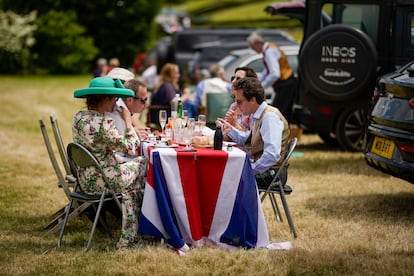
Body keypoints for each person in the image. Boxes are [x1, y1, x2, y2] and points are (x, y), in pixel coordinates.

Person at [72, 77, 147, 250]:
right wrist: (128, 120)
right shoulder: (103, 124)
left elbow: (97, 149)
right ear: (106, 99)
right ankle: (144, 229)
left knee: (132, 186)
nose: (116, 103)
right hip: (103, 180)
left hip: (84, 177)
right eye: (114, 98)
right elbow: (131, 147)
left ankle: (133, 236)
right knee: (145, 163)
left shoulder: (80, 117)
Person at [216, 77, 290, 190]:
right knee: (224, 172)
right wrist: (230, 130)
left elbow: (272, 155)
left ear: (253, 100)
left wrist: (250, 169)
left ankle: (238, 208)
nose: (236, 105)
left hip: (272, 174)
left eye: (239, 101)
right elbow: (250, 139)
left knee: (225, 178)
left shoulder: (269, 117)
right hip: (266, 170)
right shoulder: (258, 115)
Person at [247, 32, 297, 122]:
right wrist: (259, 82)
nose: (252, 49)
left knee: (279, 112)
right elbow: (267, 70)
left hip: (285, 83)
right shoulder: (269, 49)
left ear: (257, 43)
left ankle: (281, 134)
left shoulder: (269, 51)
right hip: (287, 83)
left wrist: (262, 86)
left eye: (252, 46)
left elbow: (275, 73)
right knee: (282, 112)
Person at [225, 66, 258, 133]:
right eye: (233, 78)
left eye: (238, 79)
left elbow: (252, 138)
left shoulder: (253, 107)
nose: (233, 81)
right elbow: (226, 131)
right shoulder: (233, 106)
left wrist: (235, 125)